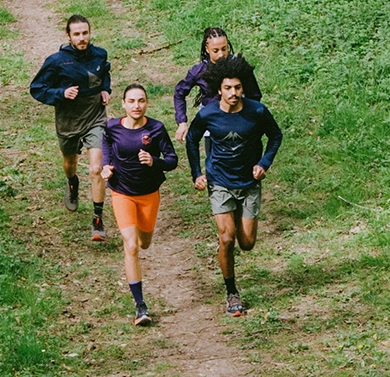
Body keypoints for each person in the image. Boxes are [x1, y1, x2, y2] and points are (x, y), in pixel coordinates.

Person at [185, 55, 281, 316]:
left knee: (247, 243)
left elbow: (275, 136)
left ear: (243, 88)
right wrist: (197, 173)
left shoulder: (257, 111)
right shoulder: (207, 114)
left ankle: (237, 216)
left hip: (249, 183)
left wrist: (264, 163)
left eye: (238, 88)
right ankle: (232, 293)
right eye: (228, 88)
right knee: (226, 238)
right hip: (220, 182)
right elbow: (191, 140)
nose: (233, 93)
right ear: (219, 89)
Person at [100, 83, 178, 326]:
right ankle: (140, 306)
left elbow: (172, 160)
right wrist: (106, 165)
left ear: (147, 103)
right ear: (123, 104)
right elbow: (106, 146)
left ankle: (140, 303)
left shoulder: (156, 129)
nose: (136, 105)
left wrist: (154, 160)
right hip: (122, 192)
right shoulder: (112, 127)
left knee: (144, 242)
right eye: (131, 101)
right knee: (131, 245)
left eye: (141, 101)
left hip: (148, 194)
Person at [30, 14, 112, 241]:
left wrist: (106, 89)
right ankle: (72, 182)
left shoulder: (99, 54)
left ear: (90, 32)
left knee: (97, 168)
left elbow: (104, 73)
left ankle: (97, 220)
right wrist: (61, 93)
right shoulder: (56, 61)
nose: (82, 38)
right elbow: (37, 88)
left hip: (95, 117)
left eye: (85, 33)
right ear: (68, 36)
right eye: (76, 34)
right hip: (68, 121)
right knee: (70, 163)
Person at [173, 27, 262, 144]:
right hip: (212, 124)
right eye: (216, 50)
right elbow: (179, 93)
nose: (221, 54)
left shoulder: (240, 67)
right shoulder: (199, 71)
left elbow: (254, 95)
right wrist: (182, 122)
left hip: (238, 120)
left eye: (224, 49)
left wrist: (250, 119)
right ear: (207, 49)